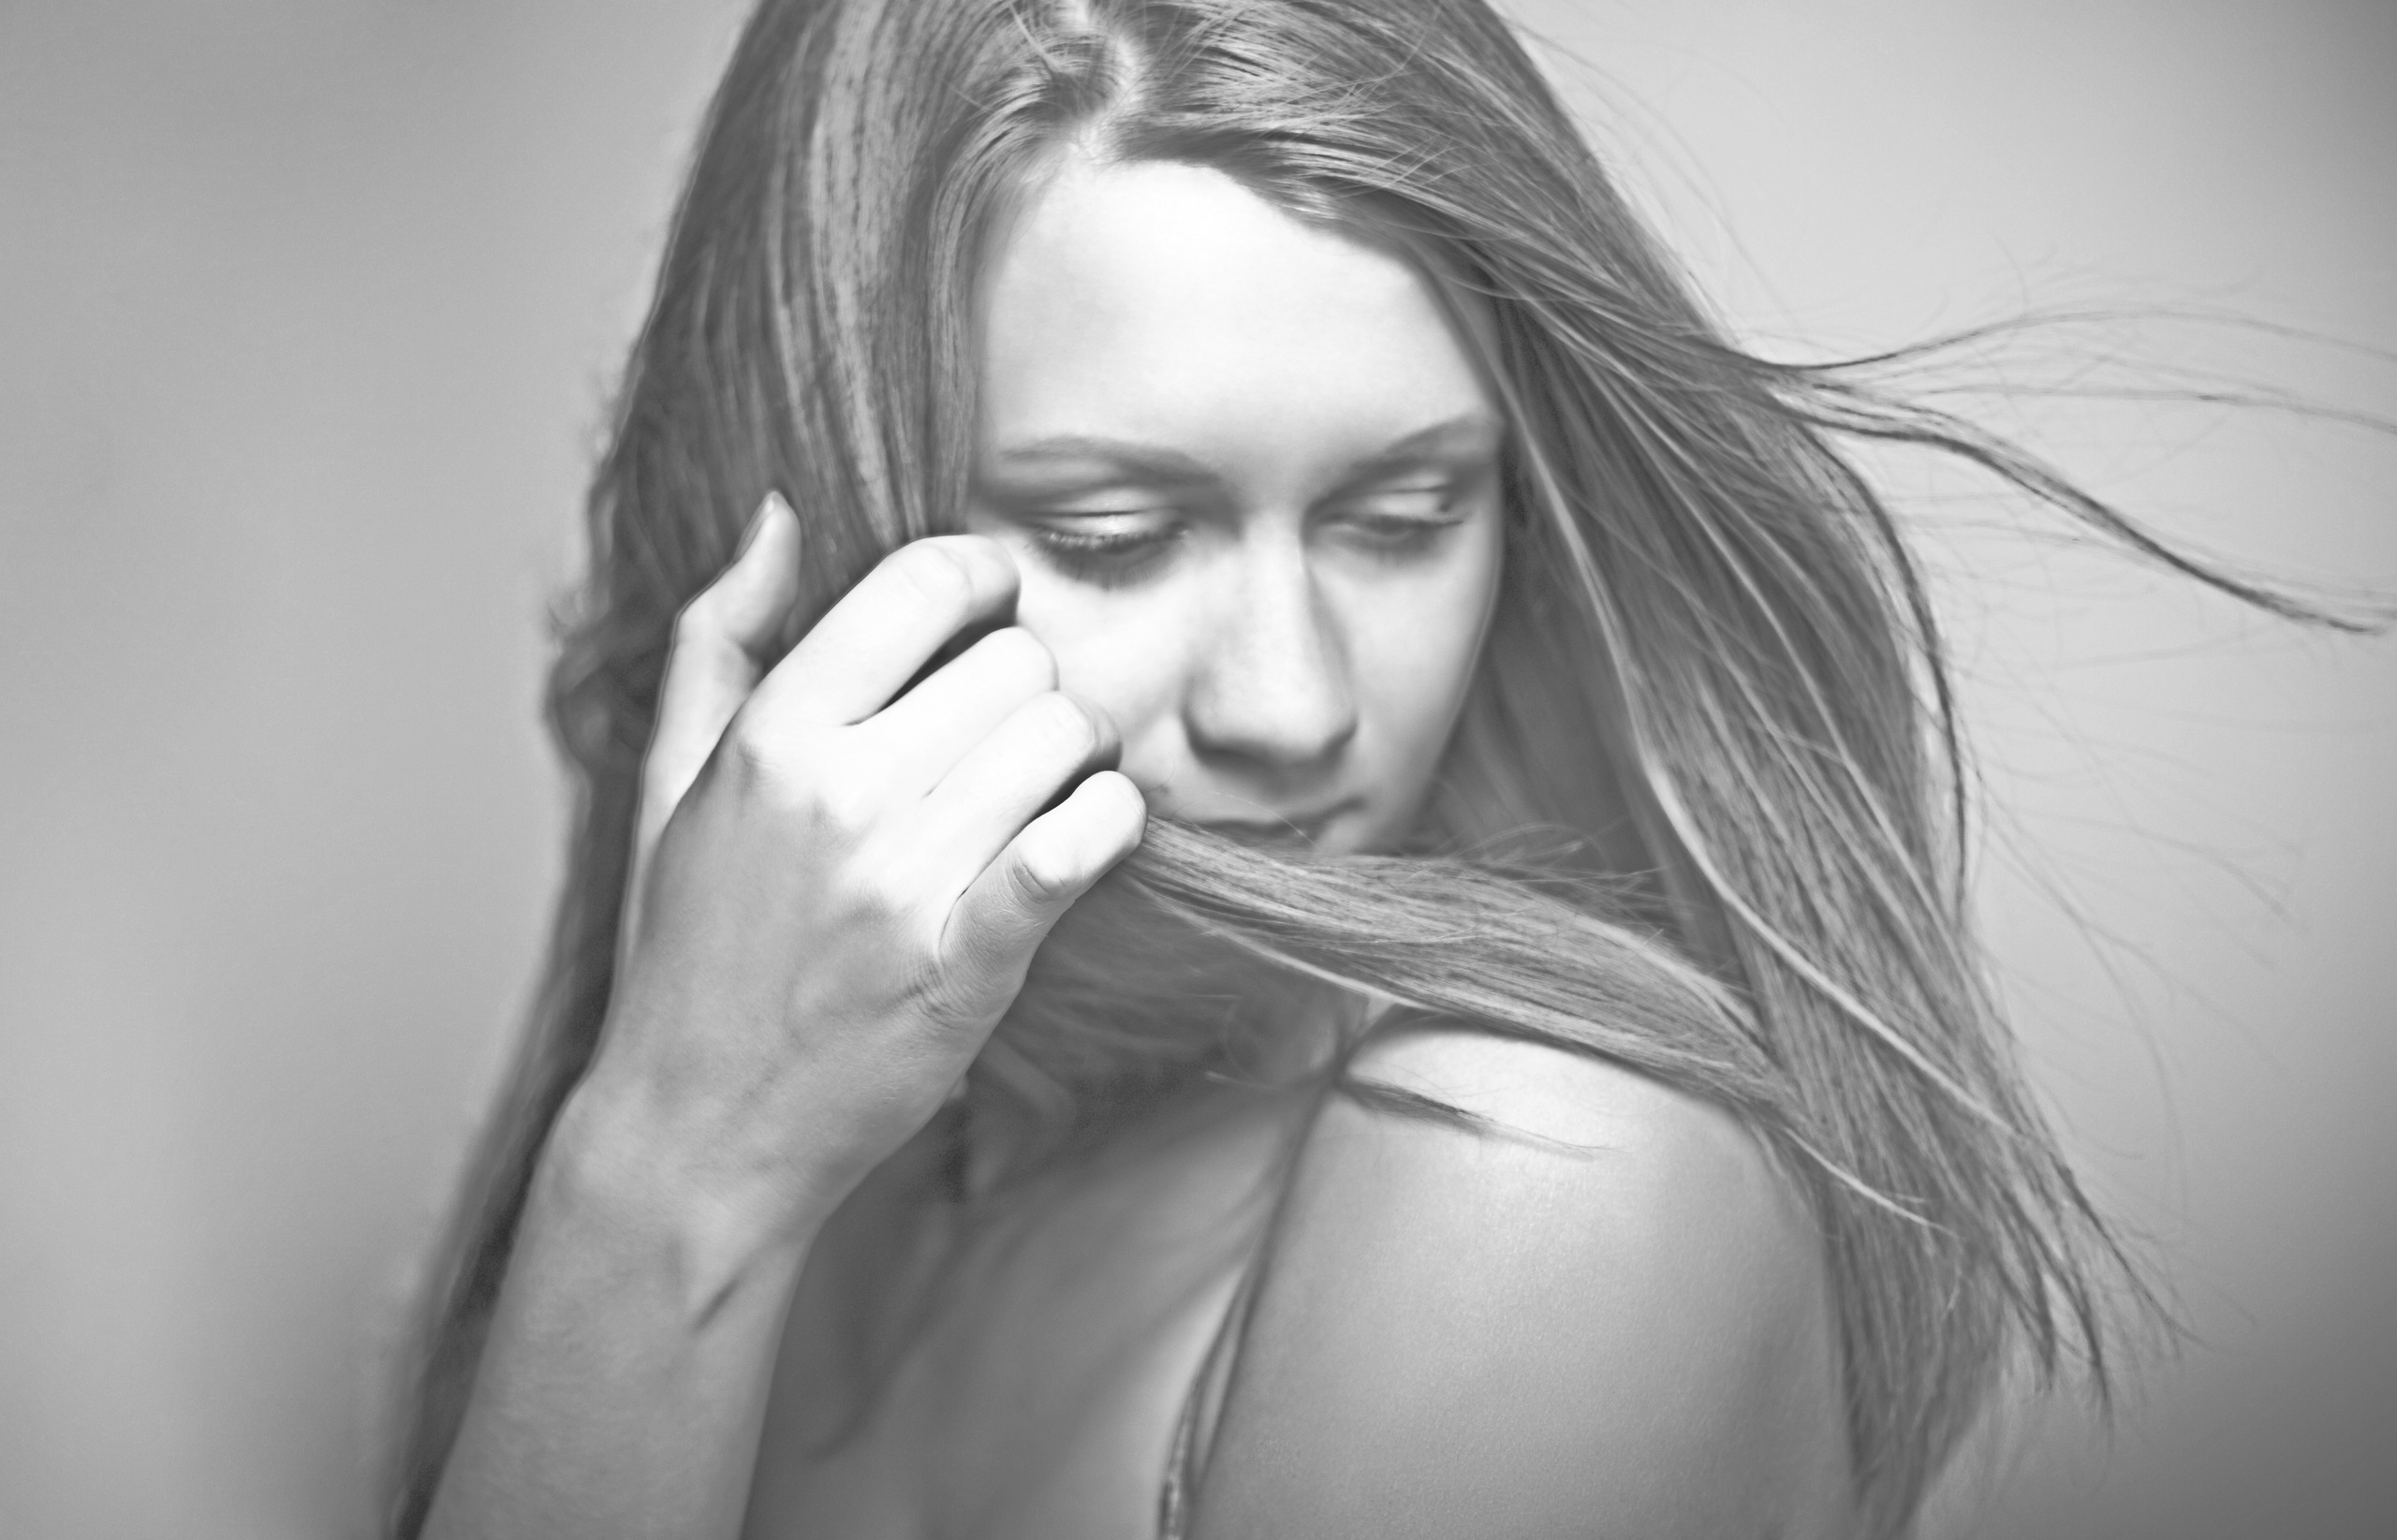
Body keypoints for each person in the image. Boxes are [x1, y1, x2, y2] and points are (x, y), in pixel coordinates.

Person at [385, 1, 2301, 1533]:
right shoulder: (809, 1115)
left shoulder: (1532, 1175)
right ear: (825, 515)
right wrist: (671, 1156)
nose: (1292, 706)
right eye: (1120, 536)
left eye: (1403, 515)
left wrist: (668, 1182)